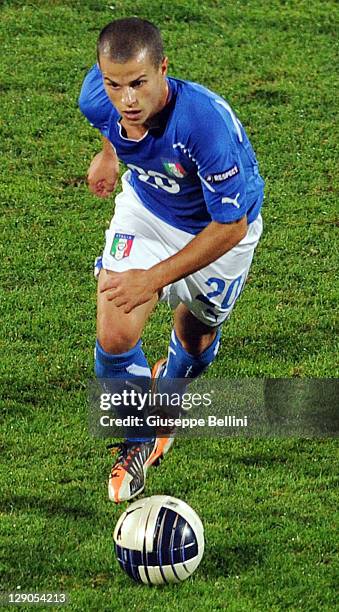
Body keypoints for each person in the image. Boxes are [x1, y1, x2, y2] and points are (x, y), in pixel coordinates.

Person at [79, 17, 265, 503]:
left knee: (196, 338)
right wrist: (109, 155)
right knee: (115, 328)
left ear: (163, 69)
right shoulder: (99, 96)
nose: (128, 100)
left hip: (219, 232)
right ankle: (138, 444)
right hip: (146, 209)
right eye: (114, 85)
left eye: (139, 83)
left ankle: (171, 386)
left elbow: (232, 225)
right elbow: (108, 120)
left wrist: (155, 279)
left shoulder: (205, 125)